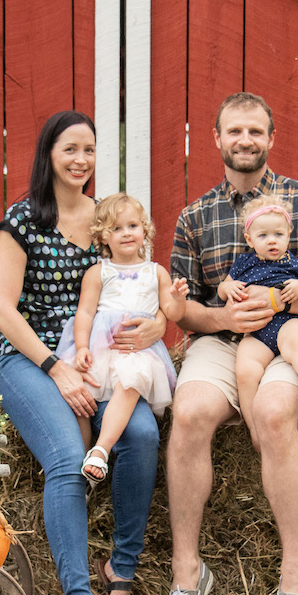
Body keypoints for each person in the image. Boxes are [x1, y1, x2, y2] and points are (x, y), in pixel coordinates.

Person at [163, 92, 298, 595]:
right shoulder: (195, 215)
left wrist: (278, 304)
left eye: (255, 131)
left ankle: (294, 577)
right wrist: (223, 312)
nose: (244, 140)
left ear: (271, 139)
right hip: (224, 341)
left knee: (274, 413)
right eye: (233, 131)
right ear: (216, 140)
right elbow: (184, 308)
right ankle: (187, 575)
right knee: (192, 411)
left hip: (292, 334)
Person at [0, 111, 164, 595]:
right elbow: (0, 308)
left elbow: (141, 286)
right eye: (70, 149)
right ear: (48, 153)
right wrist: (55, 367)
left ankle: (122, 571)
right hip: (31, 357)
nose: (80, 160)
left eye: (89, 149)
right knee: (67, 458)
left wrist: (159, 324)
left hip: (103, 358)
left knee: (142, 435)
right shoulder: (23, 221)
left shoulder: (104, 220)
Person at [56, 193, 189, 497]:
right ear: (103, 236)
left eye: (133, 225)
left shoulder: (156, 271)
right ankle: (84, 466)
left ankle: (101, 451)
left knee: (130, 384)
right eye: (116, 228)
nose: (126, 233)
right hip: (102, 349)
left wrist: (178, 299)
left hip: (137, 350)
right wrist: (81, 348)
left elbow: (173, 313)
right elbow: (86, 313)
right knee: (82, 401)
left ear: (145, 230)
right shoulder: (97, 272)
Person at [217, 195, 298, 429]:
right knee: (245, 370)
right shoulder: (243, 263)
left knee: (297, 347)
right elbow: (222, 289)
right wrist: (227, 287)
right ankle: (253, 429)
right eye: (263, 236)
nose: (272, 241)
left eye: (278, 235)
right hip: (256, 332)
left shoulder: (296, 264)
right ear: (249, 240)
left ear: (288, 234)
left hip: (289, 323)